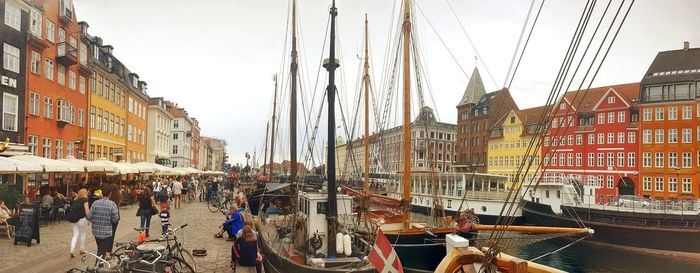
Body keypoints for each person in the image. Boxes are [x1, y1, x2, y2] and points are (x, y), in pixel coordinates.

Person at [87, 184, 120, 259]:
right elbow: (115, 220)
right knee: (101, 252)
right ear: (110, 194)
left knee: (100, 249)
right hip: (106, 233)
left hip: (96, 231)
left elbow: (89, 216)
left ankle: (100, 264)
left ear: (101, 193)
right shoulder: (112, 205)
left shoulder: (95, 203)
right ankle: (98, 267)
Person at [68, 189, 90, 258]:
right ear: (84, 193)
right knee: (83, 233)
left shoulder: (75, 200)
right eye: (86, 193)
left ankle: (72, 249)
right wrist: (89, 219)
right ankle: (82, 249)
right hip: (83, 219)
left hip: (75, 219)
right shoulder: (85, 200)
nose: (87, 194)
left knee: (75, 235)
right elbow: (87, 211)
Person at [107, 184, 122, 258]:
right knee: (112, 234)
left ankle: (105, 249)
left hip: (107, 215)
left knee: (107, 234)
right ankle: (109, 251)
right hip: (116, 215)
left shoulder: (108, 197)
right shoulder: (118, 196)